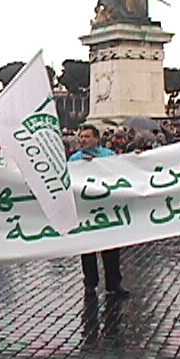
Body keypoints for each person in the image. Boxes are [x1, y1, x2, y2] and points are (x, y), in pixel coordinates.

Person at [69, 125, 129, 298]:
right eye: (81, 137)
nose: (83, 140)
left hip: (106, 210)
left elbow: (122, 174)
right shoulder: (74, 160)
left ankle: (114, 283)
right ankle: (90, 283)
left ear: (97, 139)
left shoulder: (109, 157)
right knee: (87, 249)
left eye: (87, 136)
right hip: (86, 212)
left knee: (110, 249)